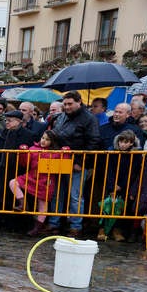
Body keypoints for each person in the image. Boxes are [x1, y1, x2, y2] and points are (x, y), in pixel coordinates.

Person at [44, 90, 102, 237]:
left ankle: (76, 226)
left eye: (70, 104)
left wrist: (82, 162)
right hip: (61, 159)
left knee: (75, 196)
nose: (67, 107)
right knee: (57, 194)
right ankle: (54, 223)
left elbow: (94, 141)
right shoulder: (63, 116)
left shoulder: (89, 119)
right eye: (65, 104)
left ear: (79, 102)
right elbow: (56, 133)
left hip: (77, 161)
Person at [9, 130, 65, 236]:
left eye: (47, 139)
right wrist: (23, 153)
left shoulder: (56, 152)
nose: (43, 141)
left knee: (42, 205)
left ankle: (37, 229)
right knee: (13, 182)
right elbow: (24, 163)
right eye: (43, 138)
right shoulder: (33, 149)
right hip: (32, 176)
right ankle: (23, 204)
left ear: (52, 142)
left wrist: (65, 153)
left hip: (46, 180)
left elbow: (62, 166)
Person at [98, 130, 144, 242]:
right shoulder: (112, 152)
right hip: (110, 184)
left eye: (126, 142)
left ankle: (116, 230)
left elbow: (133, 173)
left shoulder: (136, 155)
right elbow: (108, 170)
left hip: (125, 186)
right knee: (106, 207)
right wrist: (112, 185)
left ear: (132, 143)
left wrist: (122, 186)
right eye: (121, 142)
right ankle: (102, 230)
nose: (123, 144)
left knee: (121, 208)